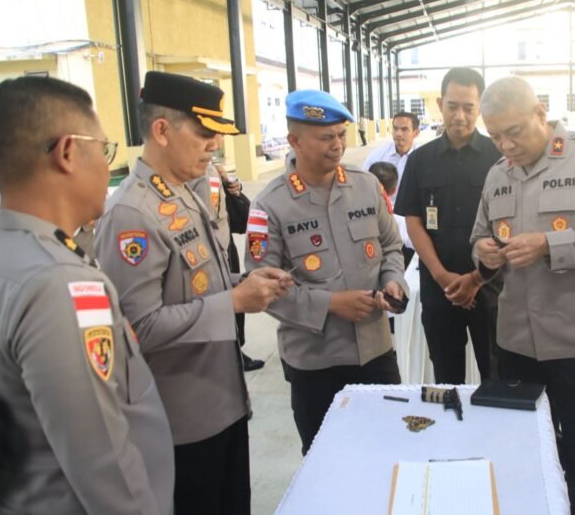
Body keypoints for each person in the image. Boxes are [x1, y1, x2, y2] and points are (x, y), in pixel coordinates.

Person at [95, 71, 291, 515]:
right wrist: (233, 303)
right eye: (204, 134)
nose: (215, 145)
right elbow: (135, 328)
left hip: (222, 407)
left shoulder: (183, 193)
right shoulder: (132, 214)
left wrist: (243, 284)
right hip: (179, 427)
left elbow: (194, 288)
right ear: (162, 130)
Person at [0, 76, 174, 514]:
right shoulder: (62, 284)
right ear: (68, 152)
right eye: (104, 149)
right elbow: (103, 463)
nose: (107, 167)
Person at [471, 76, 575, 515]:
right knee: (525, 450)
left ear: (540, 113)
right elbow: (479, 236)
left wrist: (550, 244)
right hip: (515, 342)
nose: (506, 145)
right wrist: (483, 252)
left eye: (514, 132)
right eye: (495, 136)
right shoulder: (497, 174)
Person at [245, 89, 407, 455]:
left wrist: (392, 281)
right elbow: (262, 288)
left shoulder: (366, 185)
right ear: (294, 142)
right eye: (325, 137)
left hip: (376, 351)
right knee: (325, 457)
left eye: (341, 135)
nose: (337, 146)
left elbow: (391, 247)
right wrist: (331, 304)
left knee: (387, 450)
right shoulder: (270, 205)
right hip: (316, 362)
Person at [395, 67, 502, 384]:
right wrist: (442, 276)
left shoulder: (499, 157)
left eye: (468, 107)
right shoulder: (420, 160)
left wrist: (476, 279)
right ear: (440, 104)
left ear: (480, 107)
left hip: (491, 289)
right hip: (439, 289)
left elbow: (509, 222)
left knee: (497, 374)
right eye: (453, 106)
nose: (460, 116)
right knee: (446, 377)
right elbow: (413, 220)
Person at [191, 162, 265, 371]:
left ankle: (235, 351)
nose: (214, 146)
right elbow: (211, 218)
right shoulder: (203, 173)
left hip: (222, 246)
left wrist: (232, 187)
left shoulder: (210, 170)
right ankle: (231, 354)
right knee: (224, 303)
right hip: (213, 250)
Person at [363, 111, 421, 266]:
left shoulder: (422, 158)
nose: (398, 134)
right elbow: (362, 186)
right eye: (395, 128)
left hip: (410, 219)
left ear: (416, 133)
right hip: (379, 218)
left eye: (404, 129)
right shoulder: (377, 156)